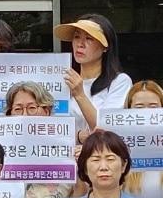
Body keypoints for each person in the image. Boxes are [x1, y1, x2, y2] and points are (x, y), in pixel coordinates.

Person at [55, 15, 132, 145]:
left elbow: (108, 131)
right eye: (77, 37)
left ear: (106, 47)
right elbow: (50, 127)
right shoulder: (62, 81)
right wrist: (78, 136)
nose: (80, 44)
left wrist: (80, 95)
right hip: (66, 161)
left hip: (101, 159)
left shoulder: (119, 82)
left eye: (89, 38)